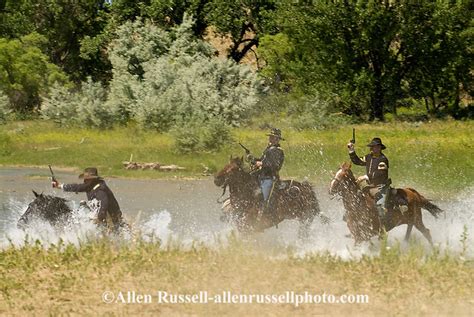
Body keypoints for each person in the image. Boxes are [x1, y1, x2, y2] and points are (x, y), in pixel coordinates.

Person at [52, 167, 123, 232]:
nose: (84, 180)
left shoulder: (100, 189)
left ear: (93, 179)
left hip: (111, 220)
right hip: (100, 215)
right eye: (85, 178)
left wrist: (98, 220)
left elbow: (104, 204)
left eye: (87, 178)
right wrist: (59, 186)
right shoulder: (90, 185)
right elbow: (77, 187)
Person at [347, 137, 390, 226]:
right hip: (370, 186)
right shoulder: (368, 157)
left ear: (380, 148)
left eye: (378, 147)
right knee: (357, 200)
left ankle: (383, 227)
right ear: (372, 148)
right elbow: (357, 161)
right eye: (374, 146)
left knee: (380, 207)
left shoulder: (383, 159)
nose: (376, 148)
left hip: (380, 187)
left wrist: (366, 177)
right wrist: (351, 150)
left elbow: (380, 174)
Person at [247, 128, 285, 217]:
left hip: (269, 177)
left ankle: (265, 214)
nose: (271, 139)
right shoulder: (269, 149)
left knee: (264, 196)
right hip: (261, 176)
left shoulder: (277, 150)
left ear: (278, 139)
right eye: (270, 137)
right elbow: (262, 160)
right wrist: (253, 159)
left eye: (273, 137)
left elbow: (274, 165)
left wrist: (260, 163)